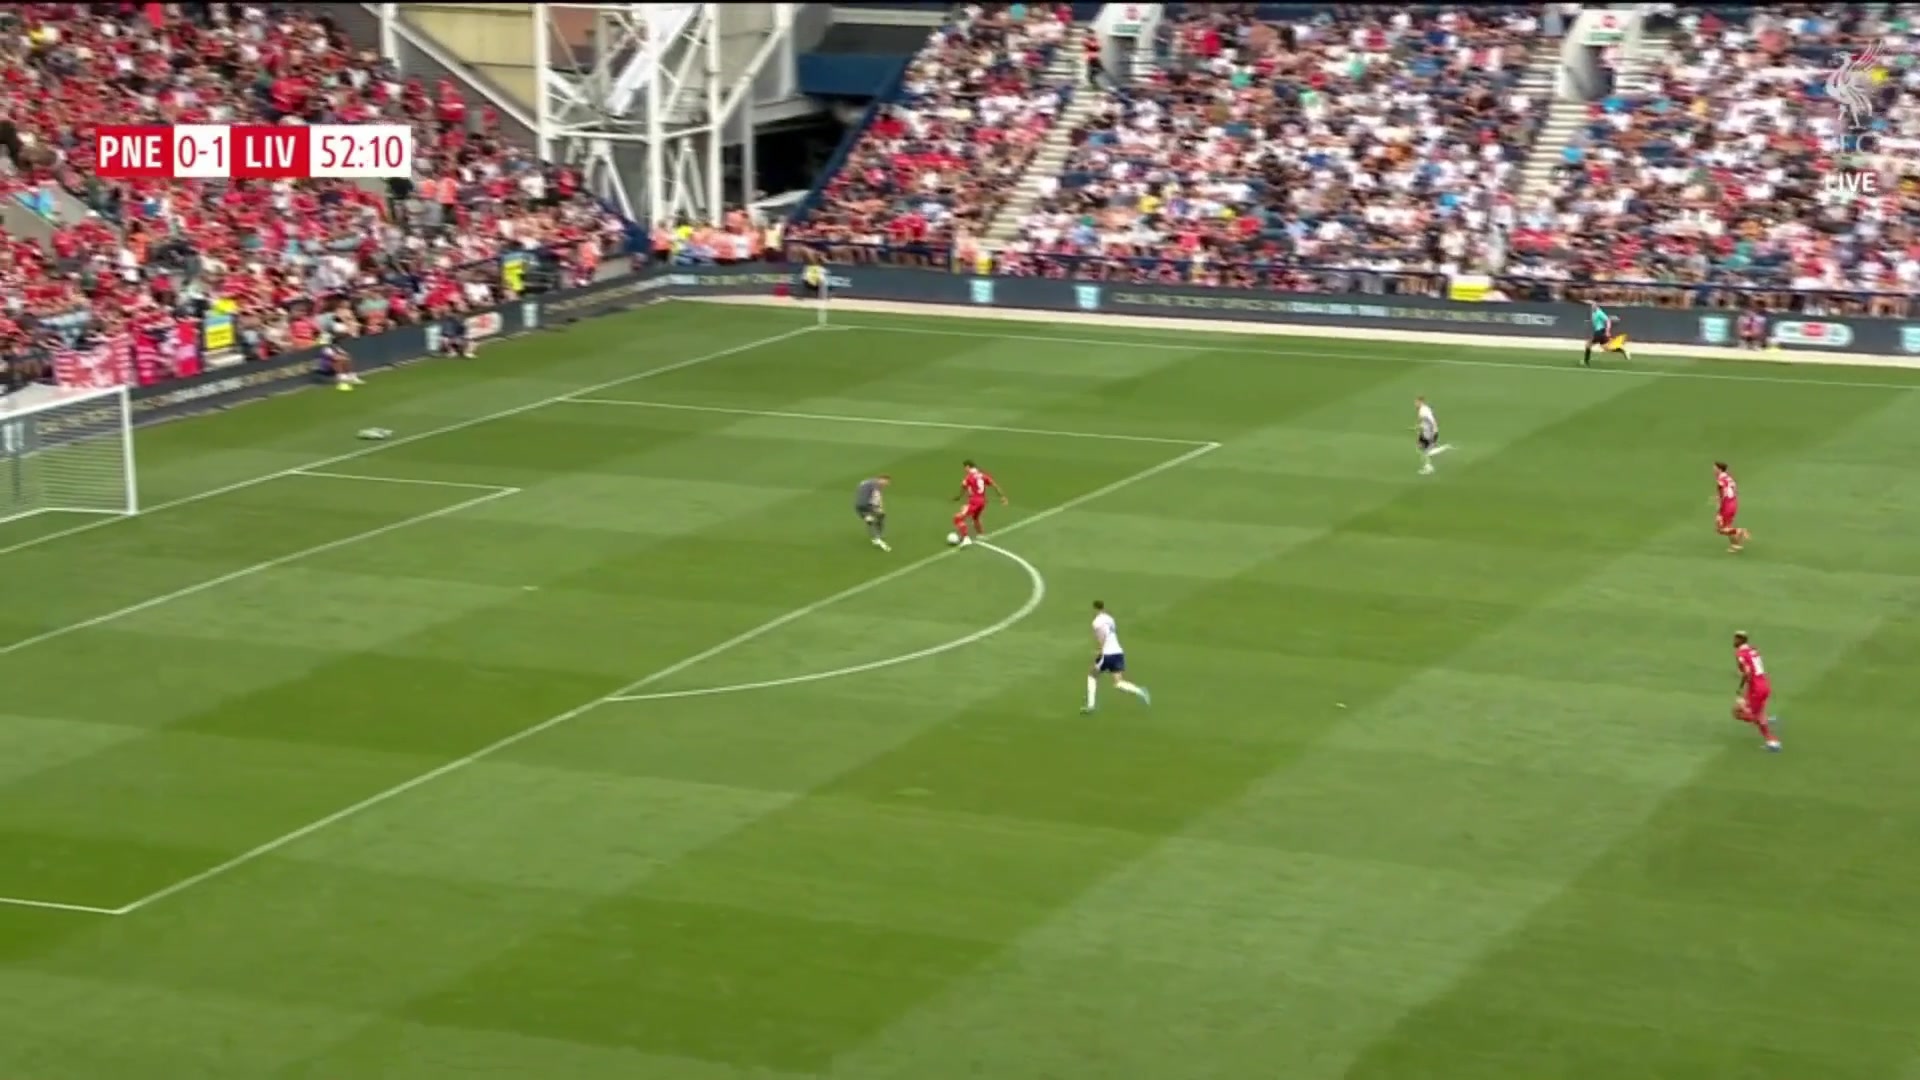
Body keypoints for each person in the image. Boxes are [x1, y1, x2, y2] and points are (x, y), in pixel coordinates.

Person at [1083, 600, 1150, 713]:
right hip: (1118, 652)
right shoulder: (1110, 619)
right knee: (1118, 682)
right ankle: (1140, 691)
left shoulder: (1096, 622)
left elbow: (1102, 637)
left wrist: (1099, 651)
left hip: (1107, 654)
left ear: (1095, 609)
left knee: (1092, 676)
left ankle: (1091, 705)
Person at [1731, 631, 1781, 752]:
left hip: (1756, 689)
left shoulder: (1740, 654)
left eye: (1736, 639)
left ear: (1740, 640)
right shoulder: (1753, 650)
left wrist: (1740, 686)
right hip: (1763, 684)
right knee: (1738, 710)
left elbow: (1747, 672)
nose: (1734, 641)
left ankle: (1772, 742)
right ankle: (1764, 720)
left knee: (1738, 713)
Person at [1583, 301, 1633, 366]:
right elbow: (1597, 321)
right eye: (1592, 306)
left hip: (1599, 332)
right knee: (1606, 348)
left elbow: (1608, 321)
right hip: (1600, 332)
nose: (1592, 307)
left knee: (1588, 345)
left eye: (1594, 306)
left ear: (1597, 306)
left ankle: (1586, 362)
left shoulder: (1599, 312)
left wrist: (1607, 331)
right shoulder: (1594, 313)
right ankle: (1622, 350)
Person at [1713, 461, 1749, 552]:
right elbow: (1735, 490)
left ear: (1719, 469)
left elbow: (1721, 494)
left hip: (1726, 506)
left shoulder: (1720, 479)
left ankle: (1740, 531)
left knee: (1720, 529)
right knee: (1728, 526)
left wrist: (1718, 508)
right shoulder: (1729, 477)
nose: (1713, 470)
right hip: (1733, 503)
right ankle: (1735, 545)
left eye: (1715, 468)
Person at [854, 473, 891, 551]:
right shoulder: (875, 485)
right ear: (881, 479)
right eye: (886, 482)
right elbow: (877, 497)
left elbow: (860, 489)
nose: (887, 484)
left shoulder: (867, 482)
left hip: (859, 505)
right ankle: (877, 536)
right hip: (866, 505)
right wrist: (879, 507)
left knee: (872, 519)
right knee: (875, 517)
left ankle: (877, 536)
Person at [1415, 396, 1441, 475]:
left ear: (1421, 402)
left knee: (1425, 450)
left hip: (1429, 433)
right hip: (1426, 431)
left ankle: (1428, 467)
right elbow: (1430, 419)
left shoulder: (1423, 411)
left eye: (1416, 402)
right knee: (1421, 448)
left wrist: (1433, 431)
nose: (1415, 404)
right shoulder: (1425, 409)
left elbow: (1431, 420)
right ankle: (1428, 466)